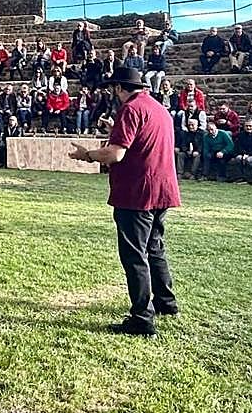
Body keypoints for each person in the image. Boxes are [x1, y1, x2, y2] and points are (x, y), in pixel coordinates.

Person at [69, 67, 180, 336]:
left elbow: (115, 154)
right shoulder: (158, 108)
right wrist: (115, 129)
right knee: (154, 247)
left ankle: (142, 319)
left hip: (136, 192)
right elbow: (142, 140)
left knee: (134, 255)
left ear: (119, 88)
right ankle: (166, 302)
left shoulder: (130, 110)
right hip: (162, 188)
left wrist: (87, 155)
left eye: (113, 89)